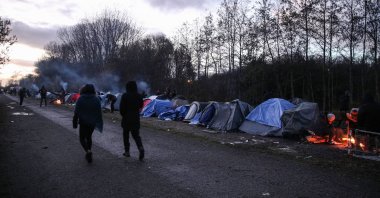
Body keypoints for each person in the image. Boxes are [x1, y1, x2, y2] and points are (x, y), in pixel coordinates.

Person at [73, 84, 103, 163]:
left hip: (83, 122)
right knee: (89, 137)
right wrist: (99, 122)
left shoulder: (80, 98)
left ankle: (88, 151)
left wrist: (74, 122)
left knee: (82, 138)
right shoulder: (96, 99)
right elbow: (98, 112)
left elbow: (76, 112)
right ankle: (89, 151)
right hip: (92, 122)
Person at [119, 81, 144, 161]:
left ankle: (127, 151)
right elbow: (141, 105)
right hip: (135, 118)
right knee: (136, 135)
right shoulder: (138, 96)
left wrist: (123, 114)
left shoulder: (125, 95)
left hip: (126, 118)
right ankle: (140, 147)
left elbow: (121, 108)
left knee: (126, 135)